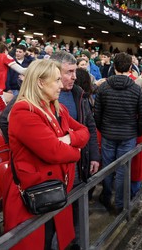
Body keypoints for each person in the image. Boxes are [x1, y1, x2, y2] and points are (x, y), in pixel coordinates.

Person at [2, 59, 89, 250]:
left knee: (52, 239)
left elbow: (84, 131)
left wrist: (68, 140)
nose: (61, 85)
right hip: (33, 195)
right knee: (39, 241)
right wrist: (76, 151)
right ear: (40, 82)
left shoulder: (55, 106)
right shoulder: (23, 111)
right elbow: (54, 153)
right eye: (57, 80)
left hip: (54, 191)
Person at [51, 51, 100, 250]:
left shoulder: (78, 92)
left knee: (79, 214)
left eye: (75, 72)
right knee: (56, 221)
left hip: (79, 167)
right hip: (55, 173)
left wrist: (94, 155)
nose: (74, 77)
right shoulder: (36, 94)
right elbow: (6, 120)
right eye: (69, 72)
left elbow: (89, 125)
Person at [94, 52, 142, 214]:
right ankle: (119, 203)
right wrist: (136, 132)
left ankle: (107, 197)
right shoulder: (136, 89)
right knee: (123, 170)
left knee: (108, 169)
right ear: (130, 67)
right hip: (128, 136)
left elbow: (97, 113)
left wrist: (103, 129)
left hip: (108, 134)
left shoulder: (103, 87)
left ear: (114, 67)